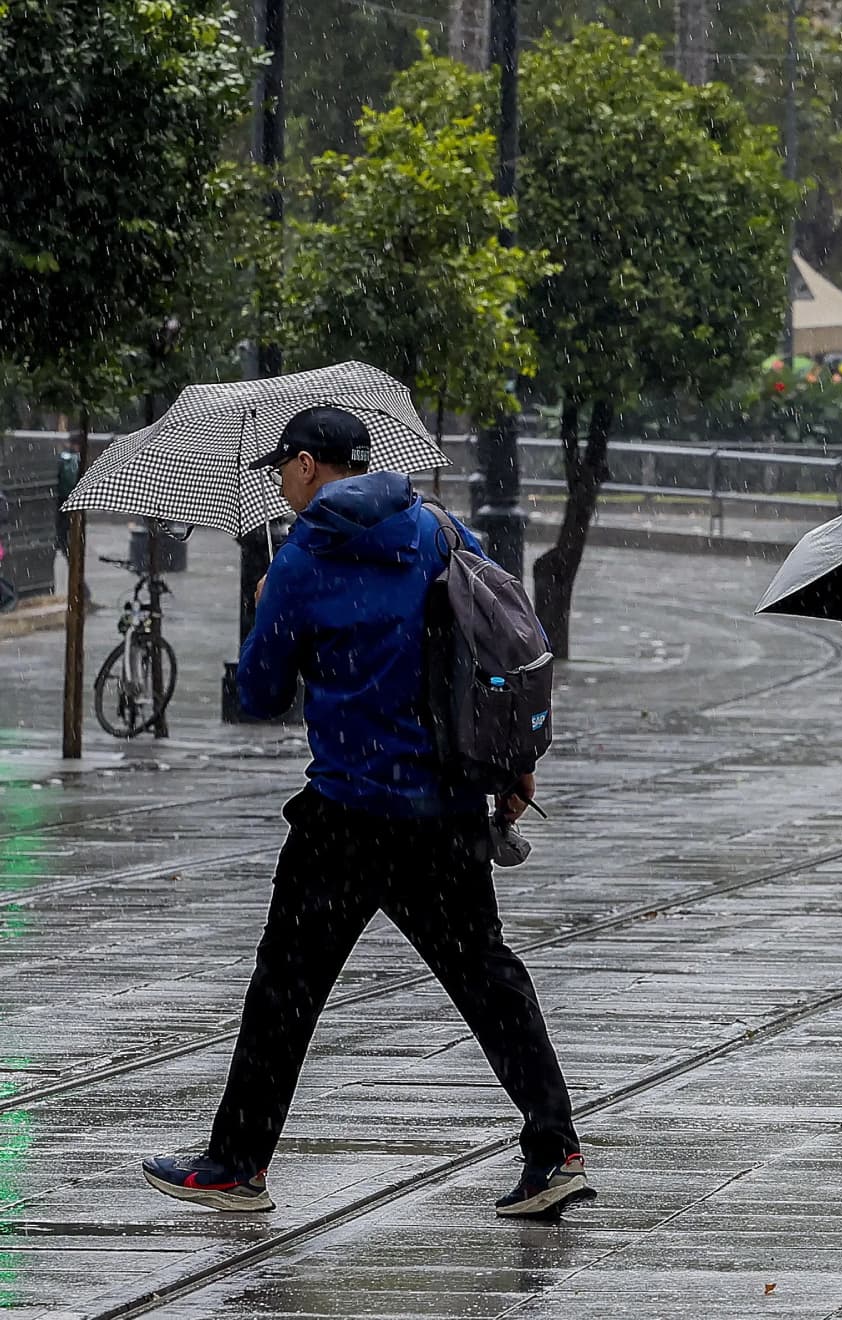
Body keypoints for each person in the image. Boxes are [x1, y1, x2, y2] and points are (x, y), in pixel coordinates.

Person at [142, 406, 590, 1220]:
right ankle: (554, 1150)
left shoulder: (301, 560)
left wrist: (270, 609)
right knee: (489, 982)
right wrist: (515, 761)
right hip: (444, 810)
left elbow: (260, 694)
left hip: (345, 816)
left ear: (307, 466)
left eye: (284, 470)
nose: (282, 486)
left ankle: (237, 1165)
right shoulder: (441, 532)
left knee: (286, 988)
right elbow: (501, 639)